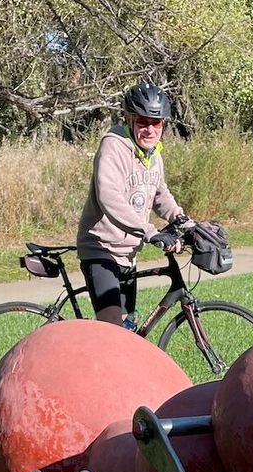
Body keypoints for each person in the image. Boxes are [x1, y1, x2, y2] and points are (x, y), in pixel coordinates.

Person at [75, 82, 187, 326]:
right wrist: (149, 231)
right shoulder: (113, 146)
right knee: (113, 325)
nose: (149, 130)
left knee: (127, 328)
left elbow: (160, 194)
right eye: (142, 122)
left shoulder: (154, 155)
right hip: (101, 248)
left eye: (156, 123)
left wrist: (181, 218)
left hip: (129, 253)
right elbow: (109, 197)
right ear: (129, 119)